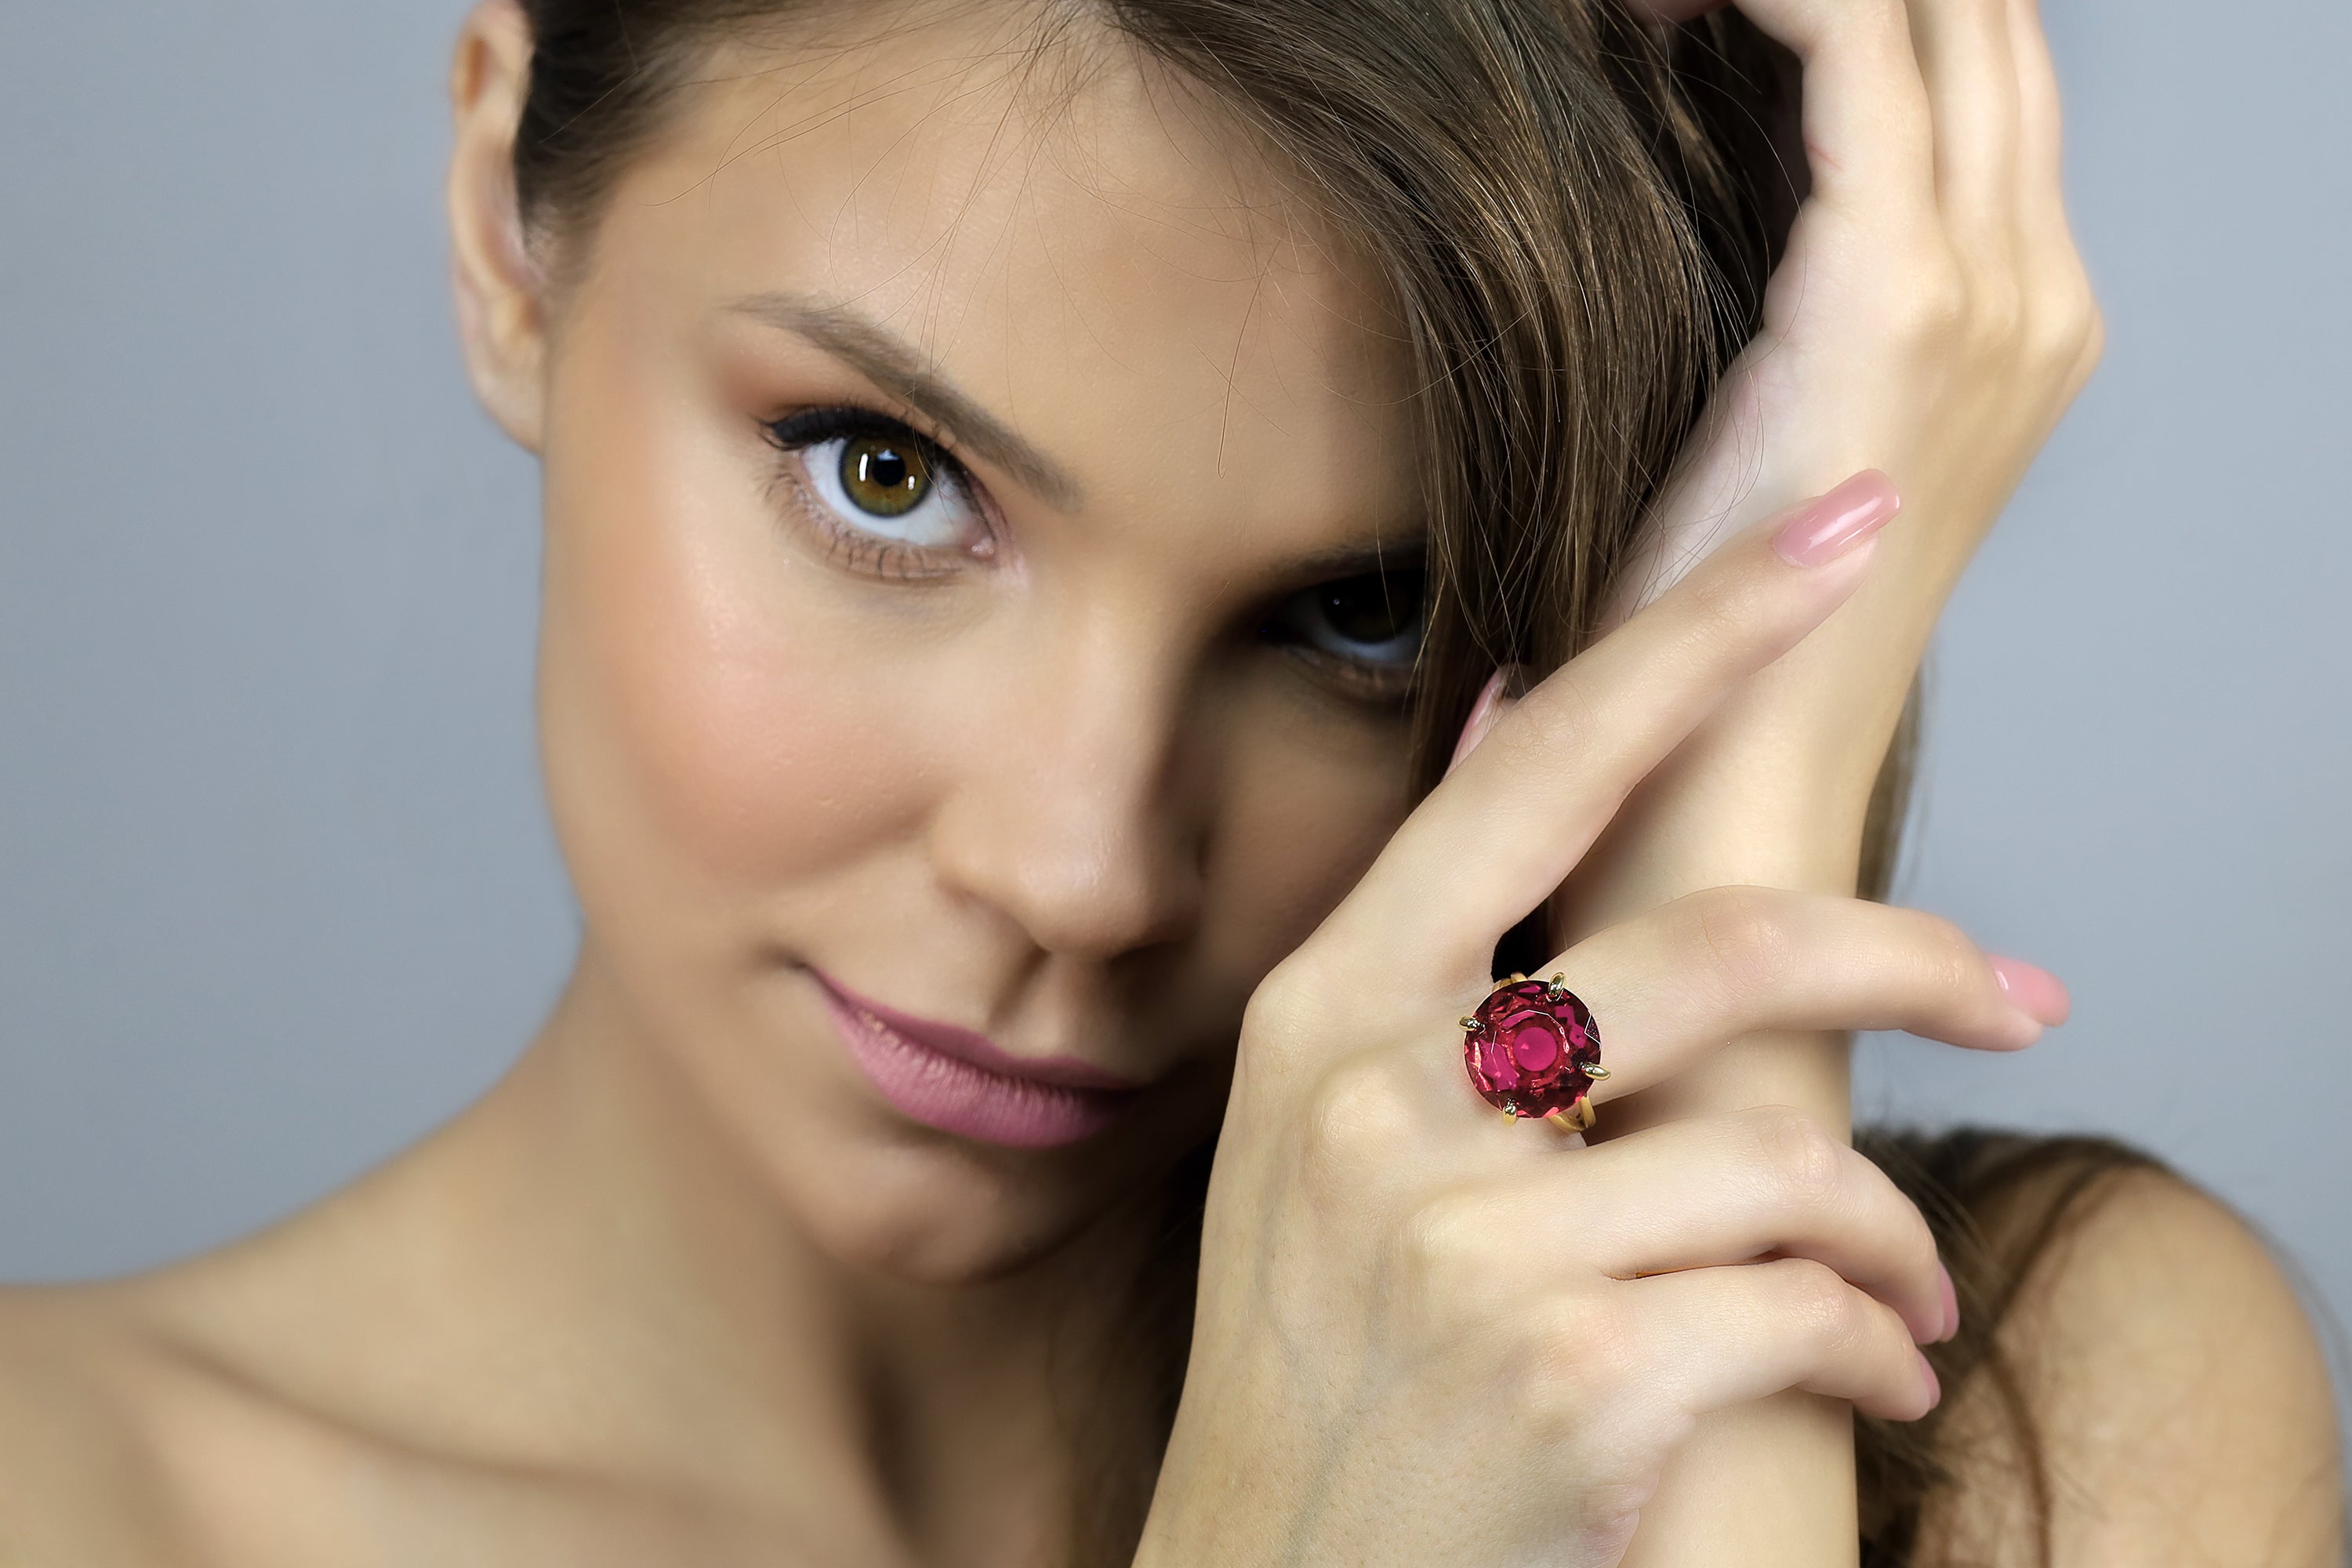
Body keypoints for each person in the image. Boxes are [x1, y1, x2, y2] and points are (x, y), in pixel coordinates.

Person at [0, 0, 2339, 1561]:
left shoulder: (2048, 1434)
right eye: (885, 473)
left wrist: (1733, 797)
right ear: (511, 220)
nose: (1082, 867)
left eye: (1363, 611)